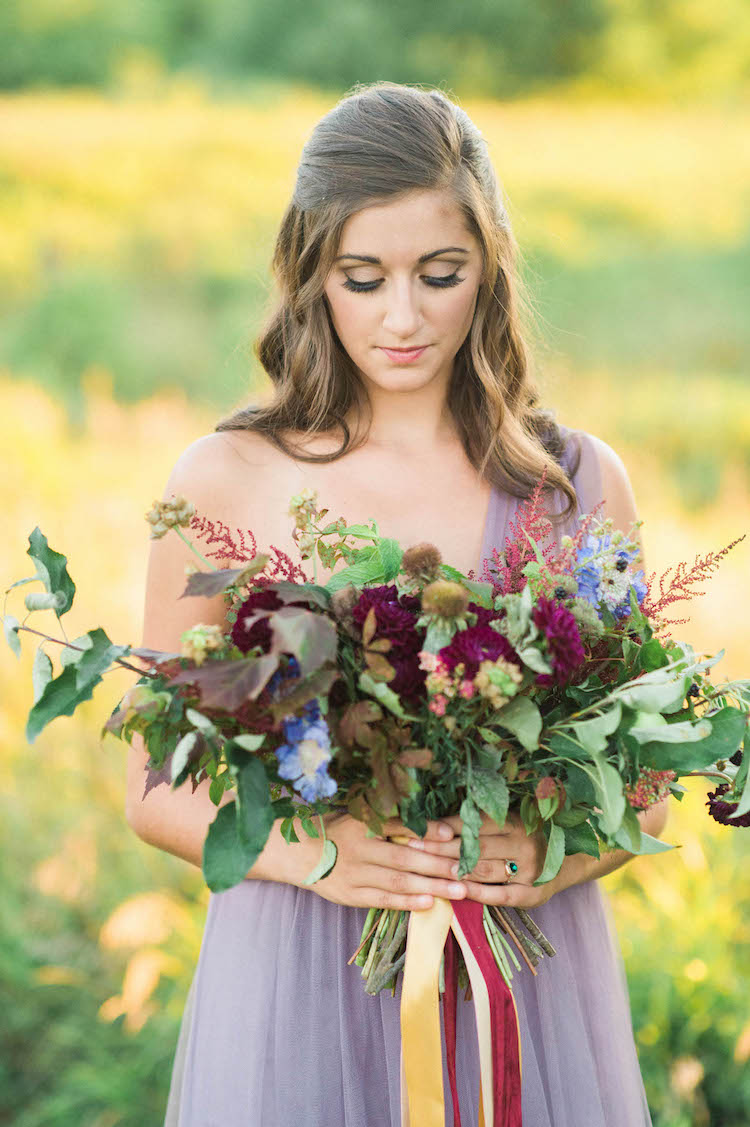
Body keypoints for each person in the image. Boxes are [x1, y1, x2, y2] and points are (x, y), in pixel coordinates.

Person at [125, 81, 668, 1126]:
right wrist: (317, 853)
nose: (404, 316)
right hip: (297, 966)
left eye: (441, 274)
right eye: (363, 278)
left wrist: (556, 857)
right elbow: (158, 787)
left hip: (519, 985)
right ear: (311, 277)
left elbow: (639, 786)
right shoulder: (225, 478)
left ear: (491, 269)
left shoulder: (573, 484)